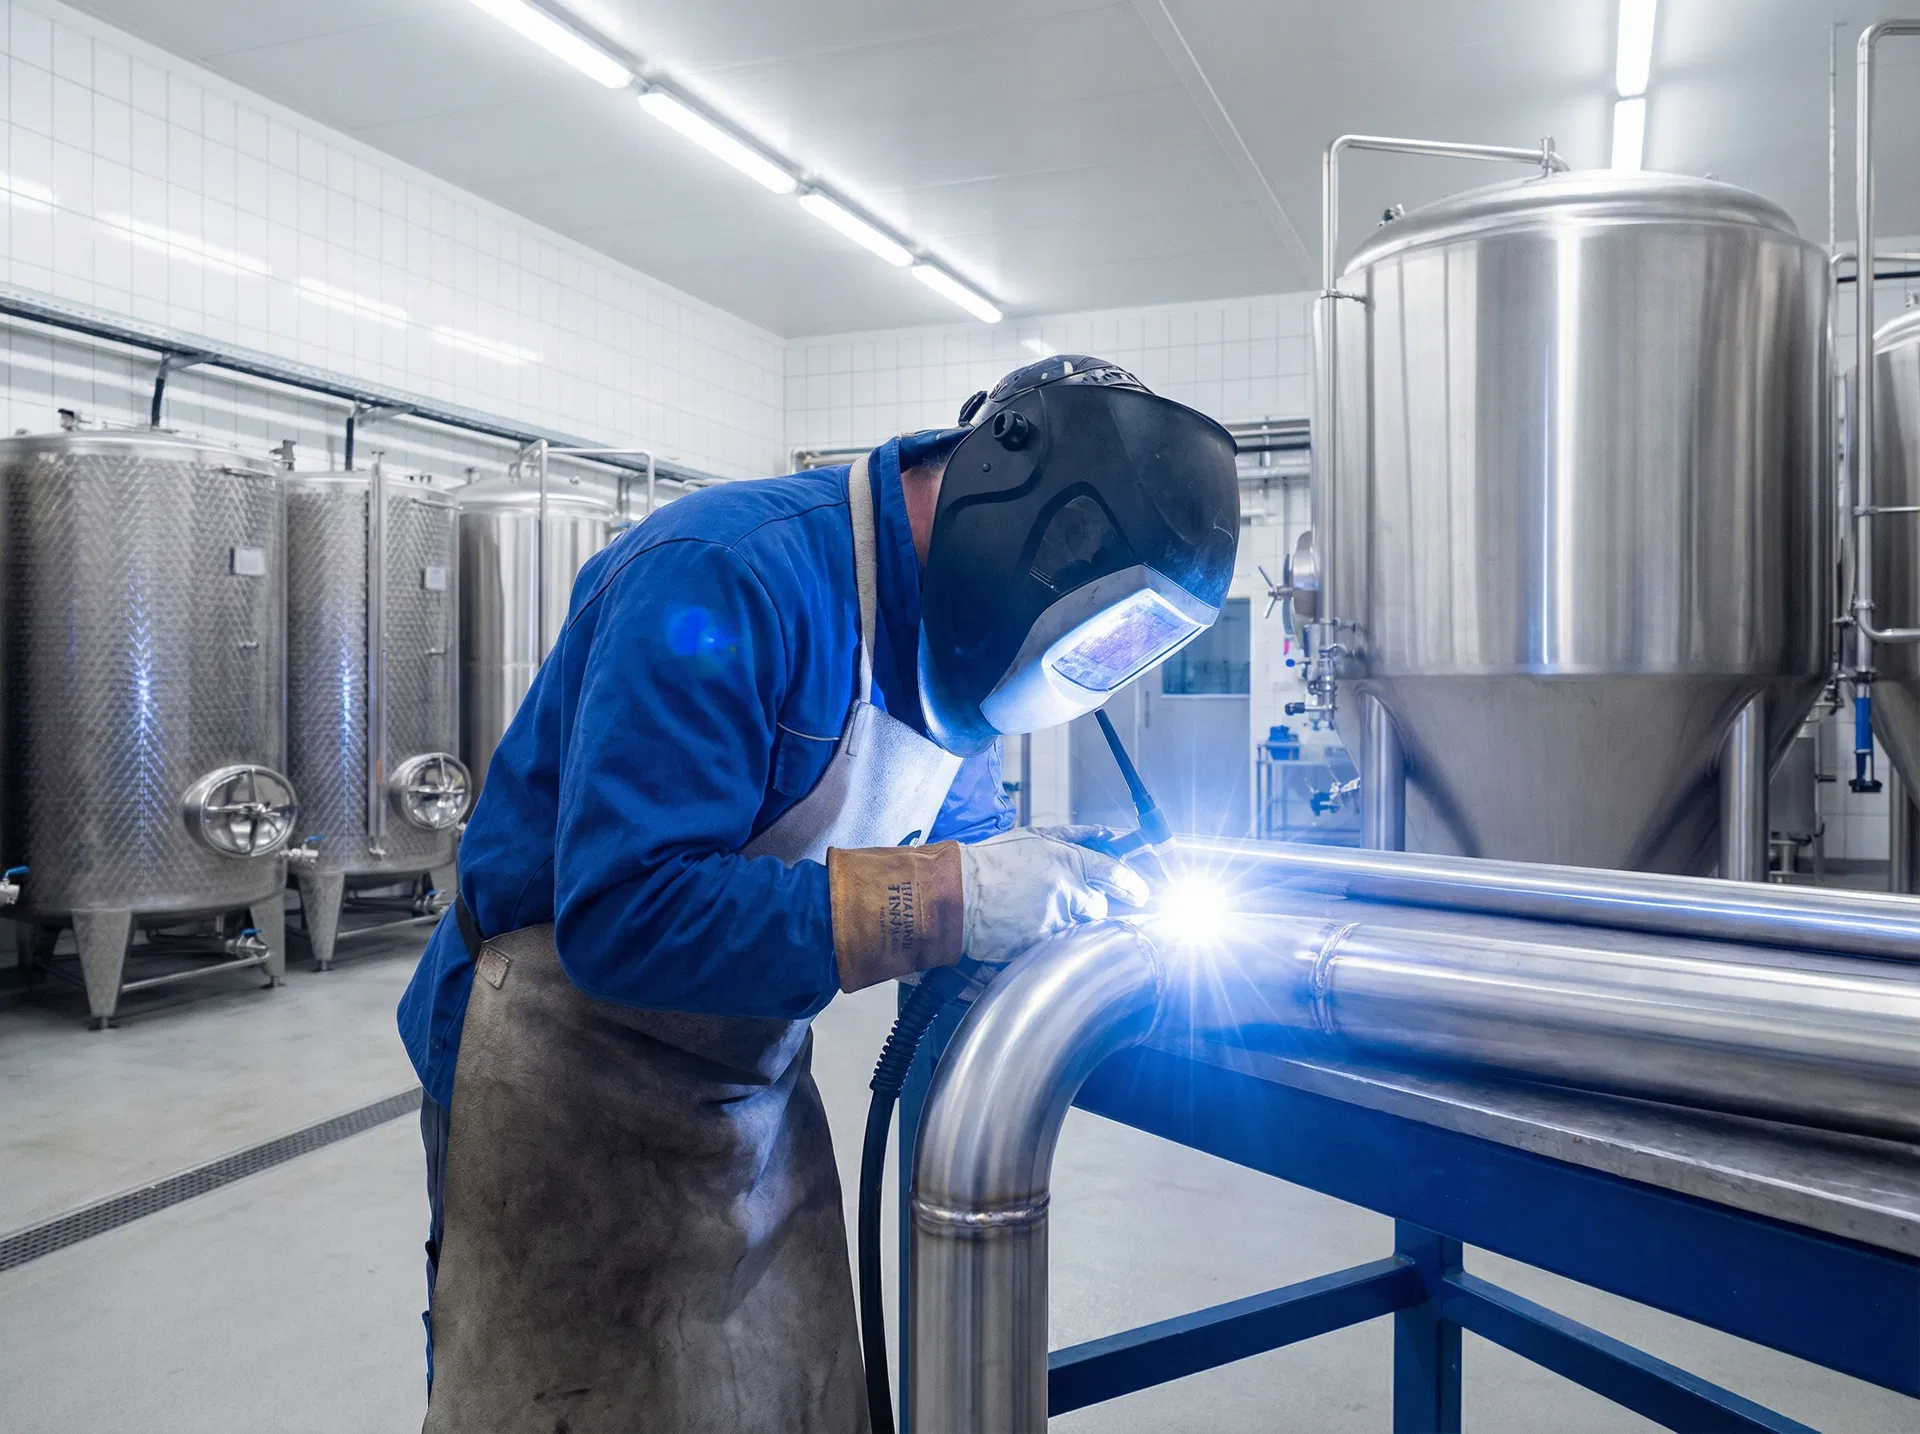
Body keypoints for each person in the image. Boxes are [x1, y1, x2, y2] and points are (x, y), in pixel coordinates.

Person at [397, 355, 1240, 1431]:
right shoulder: (723, 577)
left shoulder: (961, 650)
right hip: (559, 1068)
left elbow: (960, 839)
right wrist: (950, 899)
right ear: (1020, 516)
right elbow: (625, 913)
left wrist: (1047, 909)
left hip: (745, 1077)